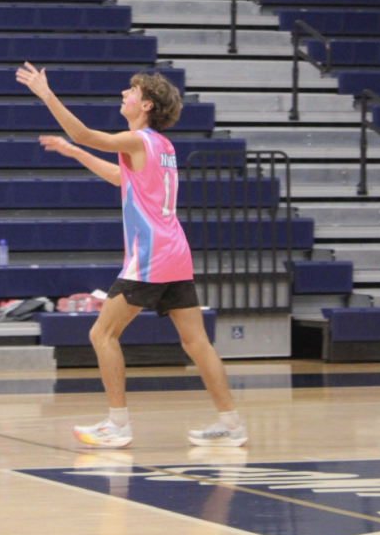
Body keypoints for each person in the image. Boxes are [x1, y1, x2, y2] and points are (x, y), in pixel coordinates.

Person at [16, 62, 246, 449]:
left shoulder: (138, 140)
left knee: (101, 332)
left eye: (131, 92)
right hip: (176, 253)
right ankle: (231, 424)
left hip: (152, 256)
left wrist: (46, 94)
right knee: (197, 343)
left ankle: (118, 425)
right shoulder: (161, 146)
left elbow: (83, 131)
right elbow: (122, 179)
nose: (124, 95)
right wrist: (74, 154)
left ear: (148, 105)